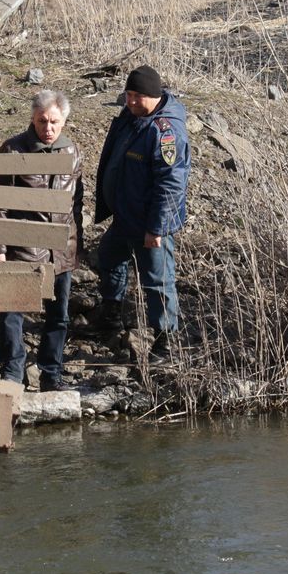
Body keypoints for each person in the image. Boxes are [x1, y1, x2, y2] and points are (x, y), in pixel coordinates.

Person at [0, 90, 84, 392]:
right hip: (23, 248)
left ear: (64, 121)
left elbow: (76, 204)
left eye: (54, 122)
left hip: (61, 250)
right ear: (33, 118)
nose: (48, 128)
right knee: (11, 314)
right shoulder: (13, 150)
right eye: (42, 121)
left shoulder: (73, 152)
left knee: (59, 316)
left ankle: (50, 376)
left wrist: (74, 246)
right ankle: (12, 375)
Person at [95, 65, 190, 363]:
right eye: (129, 94)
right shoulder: (132, 117)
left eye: (138, 96)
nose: (131, 101)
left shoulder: (166, 132)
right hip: (125, 216)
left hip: (149, 224)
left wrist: (157, 228)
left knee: (157, 282)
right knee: (108, 260)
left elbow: (172, 183)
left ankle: (165, 344)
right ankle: (110, 318)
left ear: (154, 95)